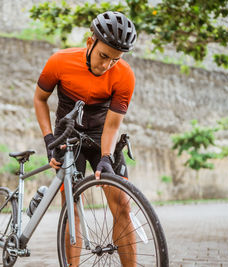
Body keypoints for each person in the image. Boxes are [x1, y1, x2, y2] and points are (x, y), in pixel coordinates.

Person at [33, 11, 137, 266]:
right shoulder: (60, 61)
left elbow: (112, 124)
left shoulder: (124, 75)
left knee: (123, 205)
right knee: (73, 210)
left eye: (115, 60)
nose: (106, 65)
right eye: (103, 56)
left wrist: (104, 157)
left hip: (102, 134)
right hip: (69, 134)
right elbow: (40, 98)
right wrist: (49, 139)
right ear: (91, 42)